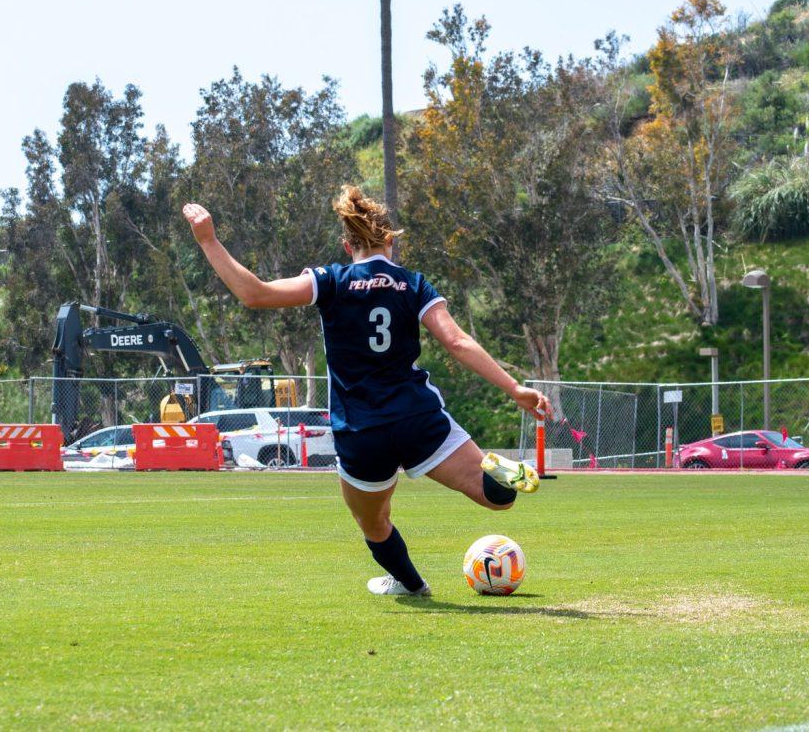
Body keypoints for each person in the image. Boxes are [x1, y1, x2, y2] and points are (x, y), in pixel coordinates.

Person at [183, 187, 549, 597]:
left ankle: (412, 585)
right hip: (417, 417)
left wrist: (208, 241)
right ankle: (498, 473)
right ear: (390, 241)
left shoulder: (331, 281)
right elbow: (458, 342)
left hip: (360, 429)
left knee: (373, 524)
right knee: (495, 500)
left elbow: (255, 293)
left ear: (347, 244)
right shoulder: (413, 284)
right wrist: (515, 387)